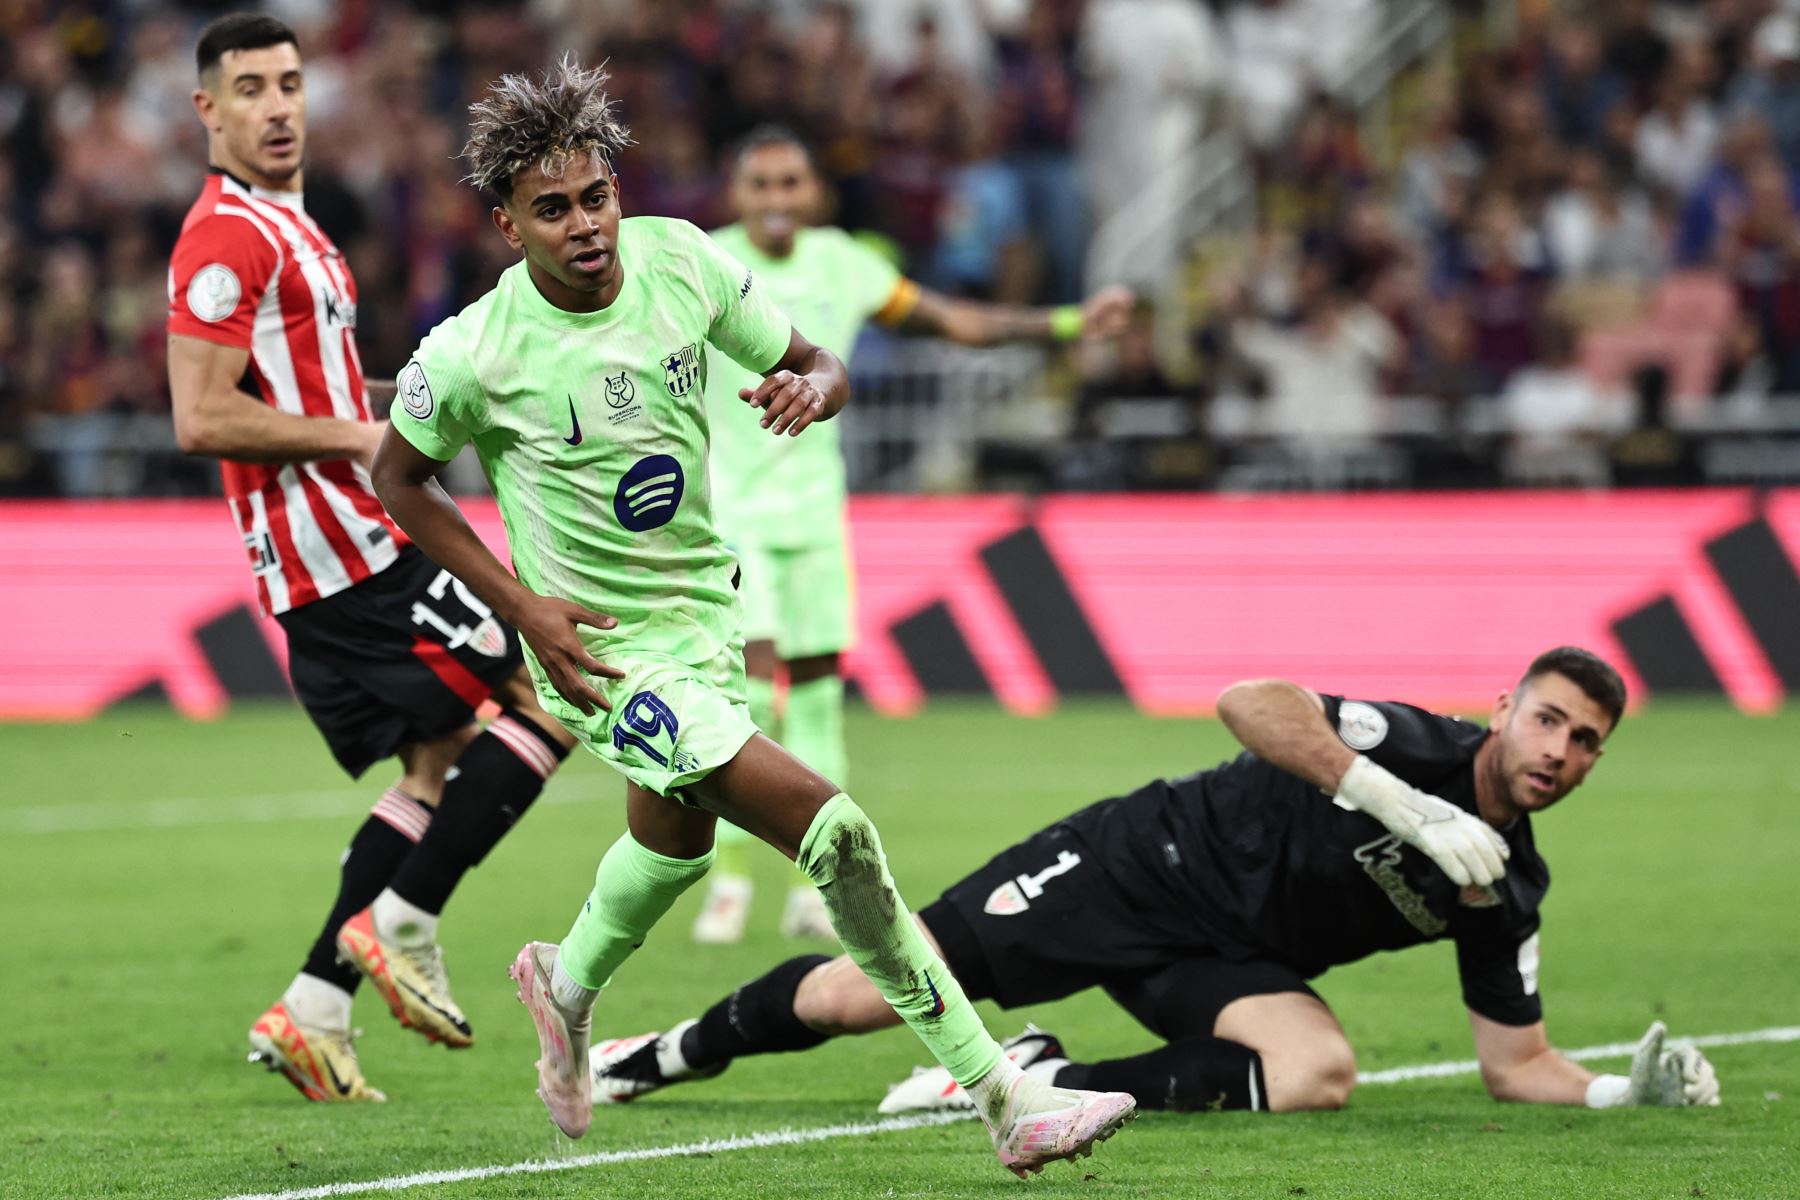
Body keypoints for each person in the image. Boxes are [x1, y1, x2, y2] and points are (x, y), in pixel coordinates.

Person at [368, 58, 1134, 1177]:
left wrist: (816, 387)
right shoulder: (474, 351)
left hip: (703, 618)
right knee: (834, 832)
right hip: (604, 655)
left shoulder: (681, 260)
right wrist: (525, 605)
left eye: (597, 196)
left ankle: (565, 982)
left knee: (672, 847)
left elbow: (813, 360)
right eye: (553, 209)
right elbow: (398, 477)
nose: (586, 226)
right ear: (507, 224)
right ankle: (1002, 1094)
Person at [590, 647, 1722, 1116]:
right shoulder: (1416, 746)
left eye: (1582, 744)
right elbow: (1250, 704)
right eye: (1547, 721)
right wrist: (1392, 798)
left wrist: (1624, 1091)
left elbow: (1514, 1061)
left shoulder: (1506, 886)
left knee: (1318, 1070)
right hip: (1140, 865)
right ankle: (652, 1058)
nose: (1557, 753)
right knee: (862, 992)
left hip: (1225, 964)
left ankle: (1043, 1074)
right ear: (1507, 710)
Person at [165, 13, 578, 1103]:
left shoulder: (295, 226)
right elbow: (201, 417)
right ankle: (406, 920)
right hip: (345, 553)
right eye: (249, 88)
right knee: (556, 685)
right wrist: (362, 440)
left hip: (343, 552)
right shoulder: (225, 240)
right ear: (208, 109)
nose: (278, 105)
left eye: (290, 83)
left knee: (437, 758)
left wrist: (433, 409)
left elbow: (332, 397)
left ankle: (314, 1006)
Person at [693, 126, 1132, 944]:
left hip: (817, 512)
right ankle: (728, 881)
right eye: (762, 185)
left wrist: (1069, 325)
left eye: (792, 183)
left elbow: (953, 321)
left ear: (814, 192)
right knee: (745, 696)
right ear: (737, 193)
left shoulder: (845, 264)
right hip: (733, 517)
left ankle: (814, 879)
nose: (778, 200)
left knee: (819, 700)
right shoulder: (703, 263)